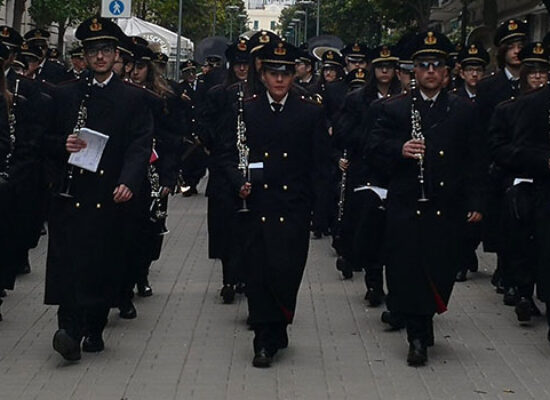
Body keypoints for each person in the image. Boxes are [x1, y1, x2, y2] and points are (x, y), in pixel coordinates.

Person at [366, 31, 485, 366]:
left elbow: (476, 159)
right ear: (413, 71)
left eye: (436, 65)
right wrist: (398, 149)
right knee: (407, 268)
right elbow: (372, 148)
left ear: (446, 72)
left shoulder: (463, 110)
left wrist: (477, 201)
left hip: (446, 204)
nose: (430, 71)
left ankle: (425, 317)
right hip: (407, 203)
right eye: (423, 65)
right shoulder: (394, 108)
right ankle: (416, 335)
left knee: (440, 267)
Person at [44, 17, 153, 361]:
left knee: (103, 262)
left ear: (116, 54)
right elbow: (40, 139)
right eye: (93, 51)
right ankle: (69, 329)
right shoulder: (65, 93)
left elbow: (140, 144)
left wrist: (129, 180)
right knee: (68, 262)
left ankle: (93, 325)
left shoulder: (133, 98)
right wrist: (62, 143)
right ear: (86, 55)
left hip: (109, 194)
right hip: (72, 194)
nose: (100, 57)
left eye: (106, 50)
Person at [223, 40, 330, 368]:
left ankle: (279, 323)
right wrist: (237, 180)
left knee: (286, 270)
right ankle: (262, 339)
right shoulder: (246, 108)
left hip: (293, 206)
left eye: (285, 73)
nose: (280, 80)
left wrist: (321, 212)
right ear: (263, 73)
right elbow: (227, 153)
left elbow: (321, 164)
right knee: (257, 272)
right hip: (257, 204)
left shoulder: (310, 110)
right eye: (273, 73)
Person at [489, 41, 550, 324]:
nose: (538, 78)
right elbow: (499, 147)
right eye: (532, 73)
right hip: (519, 181)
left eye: (543, 73)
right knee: (520, 243)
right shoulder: (510, 108)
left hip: (544, 186)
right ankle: (523, 292)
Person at [477, 19, 528, 300]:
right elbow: (482, 127)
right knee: (502, 222)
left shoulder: (535, 81)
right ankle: (504, 270)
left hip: (527, 161)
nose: (517, 52)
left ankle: (517, 277)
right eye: (512, 47)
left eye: (521, 46)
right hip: (498, 163)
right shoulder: (490, 87)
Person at [199, 38, 251, 304]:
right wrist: (211, 147)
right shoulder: (219, 92)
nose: (242, 69)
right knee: (226, 226)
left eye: (247, 64)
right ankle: (228, 278)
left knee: (247, 228)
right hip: (223, 166)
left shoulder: (257, 94)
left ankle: (244, 275)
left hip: (250, 168)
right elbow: (204, 123)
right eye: (238, 65)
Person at [453, 42, 490, 282]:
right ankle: (462, 258)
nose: (474, 74)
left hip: (489, 160)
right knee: (464, 215)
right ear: (461, 72)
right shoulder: (454, 98)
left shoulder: (491, 95)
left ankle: (471, 250)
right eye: (470, 69)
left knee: (484, 214)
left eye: (478, 69)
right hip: (462, 162)